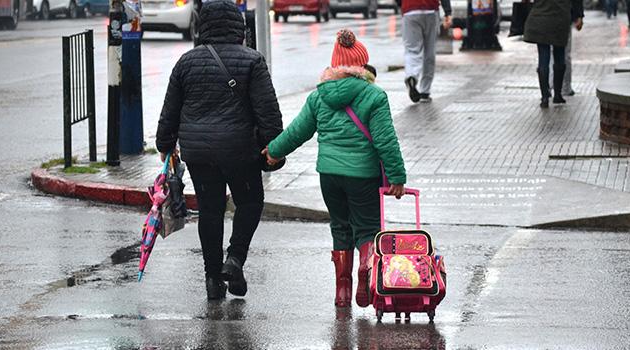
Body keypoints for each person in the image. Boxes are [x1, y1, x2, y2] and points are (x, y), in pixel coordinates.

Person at [262, 29, 407, 308]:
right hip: (363, 175)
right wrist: (397, 177)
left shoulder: (319, 97)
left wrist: (273, 152)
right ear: (361, 65)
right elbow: (385, 140)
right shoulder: (374, 96)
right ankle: (366, 266)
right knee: (367, 228)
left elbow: (297, 132)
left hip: (328, 175)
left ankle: (342, 292)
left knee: (340, 227)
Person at [156, 0, 283, 300]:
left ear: (204, 26)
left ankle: (213, 279)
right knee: (250, 202)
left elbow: (170, 110)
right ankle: (235, 259)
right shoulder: (252, 60)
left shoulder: (186, 62)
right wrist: (273, 145)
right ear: (238, 27)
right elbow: (268, 112)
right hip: (241, 151)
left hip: (199, 153)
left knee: (210, 211)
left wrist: (164, 145)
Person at [524, 0, 583, 108]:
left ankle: (545, 97)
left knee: (543, 58)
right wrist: (579, 15)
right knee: (560, 56)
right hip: (560, 18)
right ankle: (557, 95)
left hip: (540, 18)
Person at [399, 0, 453, 103]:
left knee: (412, 50)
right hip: (430, 9)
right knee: (429, 50)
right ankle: (425, 91)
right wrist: (448, 12)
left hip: (409, 9)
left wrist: (401, 4)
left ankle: (412, 75)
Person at [550, 4, 584, 96]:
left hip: (545, 16)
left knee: (549, 52)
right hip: (563, 15)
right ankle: (564, 87)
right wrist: (579, 15)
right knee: (564, 53)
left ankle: (549, 86)